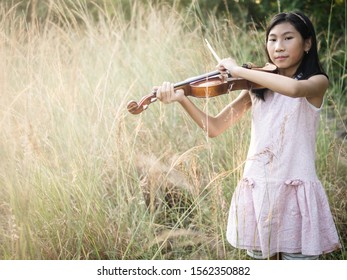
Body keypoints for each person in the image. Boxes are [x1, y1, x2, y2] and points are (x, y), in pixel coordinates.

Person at [154, 11, 341, 260]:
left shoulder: (316, 82)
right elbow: (215, 127)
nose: (278, 47)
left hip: (296, 196)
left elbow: (294, 89)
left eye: (288, 38)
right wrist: (182, 99)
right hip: (259, 192)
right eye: (272, 39)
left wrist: (239, 71)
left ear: (307, 44)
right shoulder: (257, 89)